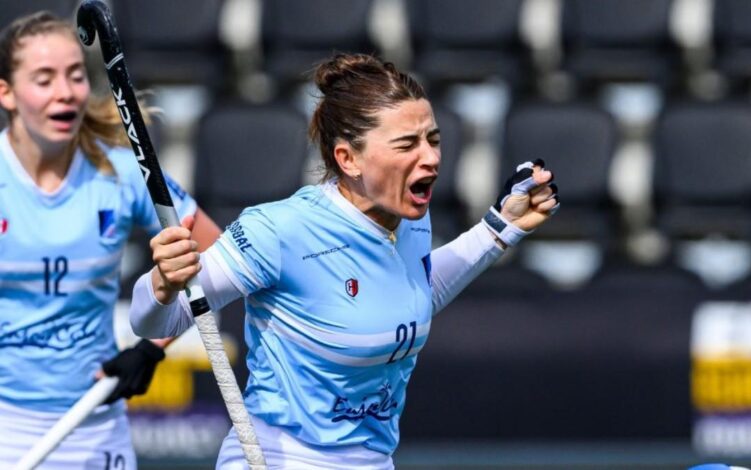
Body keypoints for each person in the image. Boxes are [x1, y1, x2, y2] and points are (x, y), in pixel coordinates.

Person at [129, 52, 559, 469]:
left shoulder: (411, 218)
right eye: (407, 144)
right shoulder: (279, 231)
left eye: (433, 139)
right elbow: (153, 323)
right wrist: (163, 283)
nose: (429, 157)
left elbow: (413, 292)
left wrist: (501, 227)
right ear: (347, 158)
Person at [0, 11, 220, 469]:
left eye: (76, 75)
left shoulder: (123, 173)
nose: (65, 92)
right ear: (7, 93)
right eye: (44, 79)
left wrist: (151, 348)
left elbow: (222, 258)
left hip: (96, 424)